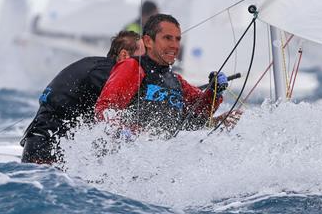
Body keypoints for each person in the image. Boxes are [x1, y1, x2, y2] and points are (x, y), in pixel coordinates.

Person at [20, 30, 145, 164]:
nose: (144, 68)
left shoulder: (92, 64)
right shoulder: (106, 73)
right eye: (142, 61)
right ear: (124, 55)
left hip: (36, 144)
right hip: (47, 151)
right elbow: (113, 112)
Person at [95, 13, 229, 136]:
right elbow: (105, 108)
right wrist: (123, 132)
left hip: (162, 156)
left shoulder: (177, 80)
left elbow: (202, 111)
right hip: (128, 154)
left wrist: (215, 91)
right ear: (148, 41)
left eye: (177, 39)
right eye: (167, 38)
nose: (174, 45)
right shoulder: (133, 67)